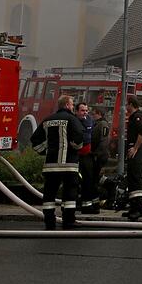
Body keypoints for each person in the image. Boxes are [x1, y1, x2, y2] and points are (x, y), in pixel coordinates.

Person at [30, 94, 85, 230]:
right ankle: (68, 221)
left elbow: (35, 140)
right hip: (69, 165)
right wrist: (75, 146)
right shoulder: (72, 119)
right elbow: (79, 138)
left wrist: (45, 151)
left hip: (51, 166)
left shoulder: (48, 120)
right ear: (67, 105)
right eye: (72, 104)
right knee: (69, 194)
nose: (73, 107)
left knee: (49, 194)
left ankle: (49, 222)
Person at [124, 95, 142, 221]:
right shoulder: (134, 117)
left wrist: (135, 148)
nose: (125, 107)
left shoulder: (138, 117)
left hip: (137, 154)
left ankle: (139, 209)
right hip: (134, 153)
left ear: (131, 104)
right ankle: (134, 208)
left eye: (126, 104)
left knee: (135, 179)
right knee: (132, 180)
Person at [75, 102, 97, 213]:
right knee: (76, 180)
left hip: (87, 155)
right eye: (82, 110)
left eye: (86, 110)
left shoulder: (90, 120)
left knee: (88, 180)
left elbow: (92, 134)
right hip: (76, 156)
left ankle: (87, 205)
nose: (85, 113)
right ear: (76, 111)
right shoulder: (73, 121)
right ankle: (76, 203)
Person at [89, 107, 111, 209]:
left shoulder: (103, 124)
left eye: (94, 114)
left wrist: (96, 155)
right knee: (94, 178)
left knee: (94, 179)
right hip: (97, 154)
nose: (92, 116)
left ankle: (110, 187)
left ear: (99, 114)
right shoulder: (97, 124)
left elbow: (103, 142)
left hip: (99, 156)